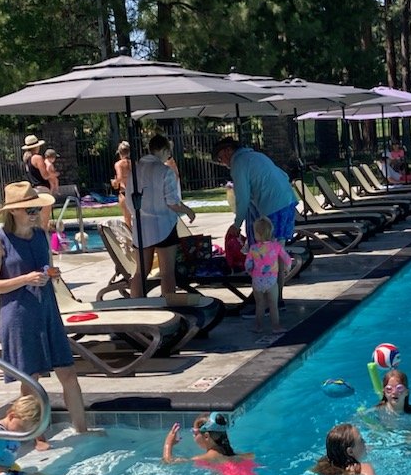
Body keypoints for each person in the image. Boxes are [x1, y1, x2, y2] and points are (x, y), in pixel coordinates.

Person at [0, 181, 88, 449]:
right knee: (31, 379)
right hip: (19, 315)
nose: (34, 213)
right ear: (14, 212)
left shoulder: (41, 236)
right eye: (29, 209)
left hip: (47, 311)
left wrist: (51, 275)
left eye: (36, 208)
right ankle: (36, 436)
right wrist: (25, 279)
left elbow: (47, 269)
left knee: (68, 373)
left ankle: (82, 430)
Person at [212, 137, 297, 312]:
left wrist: (236, 225)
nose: (223, 163)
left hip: (273, 209)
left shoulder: (239, 163)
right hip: (288, 204)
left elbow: (242, 198)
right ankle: (277, 299)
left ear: (228, 151)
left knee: (267, 257)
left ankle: (268, 301)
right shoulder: (257, 156)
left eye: (221, 158)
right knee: (277, 255)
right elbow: (284, 176)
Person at [125, 134, 196, 298]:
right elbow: (172, 202)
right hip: (164, 225)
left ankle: (136, 306)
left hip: (142, 226)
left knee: (141, 272)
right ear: (164, 150)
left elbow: (130, 201)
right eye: (168, 152)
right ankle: (169, 306)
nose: (168, 156)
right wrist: (188, 211)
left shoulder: (133, 172)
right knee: (167, 272)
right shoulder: (165, 171)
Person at [162, 412, 257, 475]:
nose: (193, 436)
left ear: (206, 436)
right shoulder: (243, 456)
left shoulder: (202, 458)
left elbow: (169, 462)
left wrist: (168, 444)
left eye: (194, 433)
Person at [245, 216, 293, 333]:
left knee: (260, 305)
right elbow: (287, 259)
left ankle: (258, 326)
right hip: (271, 280)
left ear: (256, 234)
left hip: (257, 280)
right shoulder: (276, 246)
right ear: (270, 232)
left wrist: (250, 272)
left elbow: (247, 264)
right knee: (273, 305)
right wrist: (288, 268)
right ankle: (276, 327)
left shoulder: (253, 248)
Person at [313, 423, 378, 475]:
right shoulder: (365, 469)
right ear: (350, 452)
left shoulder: (328, 471)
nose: (365, 442)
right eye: (361, 440)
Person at [21, 134, 54, 229]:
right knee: (44, 222)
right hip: (43, 190)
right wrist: (52, 174)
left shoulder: (27, 159)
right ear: (37, 146)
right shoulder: (37, 158)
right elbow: (45, 175)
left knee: (36, 221)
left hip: (34, 190)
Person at [111, 140, 132, 229]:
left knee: (127, 220)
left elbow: (119, 177)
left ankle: (131, 240)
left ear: (119, 153)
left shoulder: (118, 164)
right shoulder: (134, 163)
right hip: (135, 191)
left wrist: (114, 182)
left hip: (125, 192)